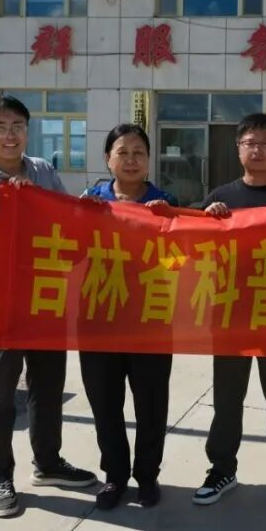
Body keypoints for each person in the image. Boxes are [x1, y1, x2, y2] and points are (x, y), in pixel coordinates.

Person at [0, 92, 96, 519]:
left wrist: (50, 203)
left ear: (27, 131)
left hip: (46, 300)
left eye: (18, 126)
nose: (10, 135)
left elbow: (67, 222)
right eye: (0, 127)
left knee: (48, 388)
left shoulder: (44, 172)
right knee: (0, 396)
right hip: (1, 305)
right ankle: (0, 476)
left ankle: (48, 463)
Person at [194, 113, 266, 509]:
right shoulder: (219, 199)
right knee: (227, 399)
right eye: (250, 143)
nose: (258, 150)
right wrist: (207, 221)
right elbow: (195, 251)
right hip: (229, 315)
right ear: (238, 149)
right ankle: (221, 469)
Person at [78, 124, 178, 510]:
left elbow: (182, 260)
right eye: (123, 152)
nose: (131, 160)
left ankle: (147, 476)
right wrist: (79, 217)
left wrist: (169, 224)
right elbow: (69, 251)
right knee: (105, 403)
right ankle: (115, 476)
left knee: (151, 404)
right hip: (99, 316)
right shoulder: (91, 201)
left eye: (139, 152)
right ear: (108, 159)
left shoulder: (165, 202)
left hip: (151, 317)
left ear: (149, 160)